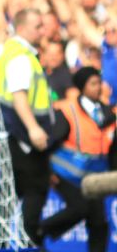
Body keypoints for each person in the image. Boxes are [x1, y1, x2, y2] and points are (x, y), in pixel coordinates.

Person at [0, 8, 66, 246]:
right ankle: (30, 242)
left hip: (15, 136)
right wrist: (33, 129)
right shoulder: (21, 56)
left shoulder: (13, 51)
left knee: (11, 192)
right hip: (23, 138)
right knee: (35, 189)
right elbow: (18, 95)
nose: (43, 31)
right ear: (22, 28)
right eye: (38, 26)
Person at [41, 66, 115, 252]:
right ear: (82, 87)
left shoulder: (109, 113)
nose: (98, 87)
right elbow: (51, 142)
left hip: (95, 175)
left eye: (99, 83)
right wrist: (47, 171)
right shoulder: (68, 110)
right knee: (79, 208)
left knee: (99, 222)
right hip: (66, 172)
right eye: (93, 84)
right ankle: (39, 231)